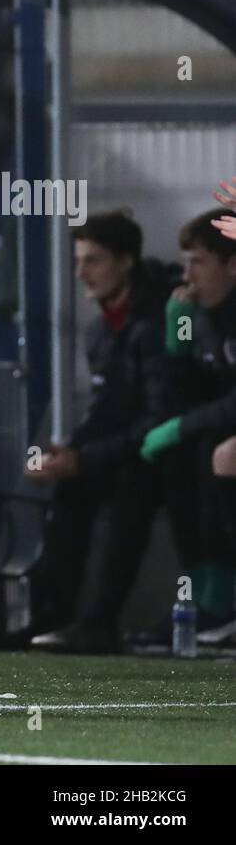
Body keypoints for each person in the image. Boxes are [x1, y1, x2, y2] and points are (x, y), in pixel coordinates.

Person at [23, 211, 174, 653]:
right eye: (78, 261)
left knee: (132, 486)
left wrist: (86, 458)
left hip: (169, 453)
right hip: (127, 449)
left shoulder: (158, 322)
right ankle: (54, 617)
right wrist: (70, 451)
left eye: (93, 261)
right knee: (71, 489)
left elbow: (157, 418)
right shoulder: (100, 331)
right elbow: (107, 410)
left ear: (126, 262)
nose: (81, 273)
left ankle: (100, 622)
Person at [137, 210, 236, 638]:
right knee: (178, 456)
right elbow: (183, 400)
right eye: (186, 262)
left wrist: (182, 425)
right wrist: (176, 346)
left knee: (217, 449)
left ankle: (224, 596)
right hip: (215, 431)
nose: (187, 274)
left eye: (199, 262)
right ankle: (201, 592)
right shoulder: (198, 316)